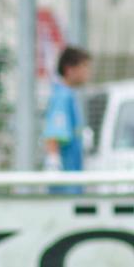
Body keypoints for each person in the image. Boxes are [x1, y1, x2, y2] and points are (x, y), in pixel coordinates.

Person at [43, 46, 92, 191]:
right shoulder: (62, 96)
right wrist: (53, 161)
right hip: (65, 181)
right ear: (69, 69)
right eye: (84, 67)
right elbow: (53, 133)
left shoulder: (69, 95)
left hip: (73, 177)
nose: (87, 72)